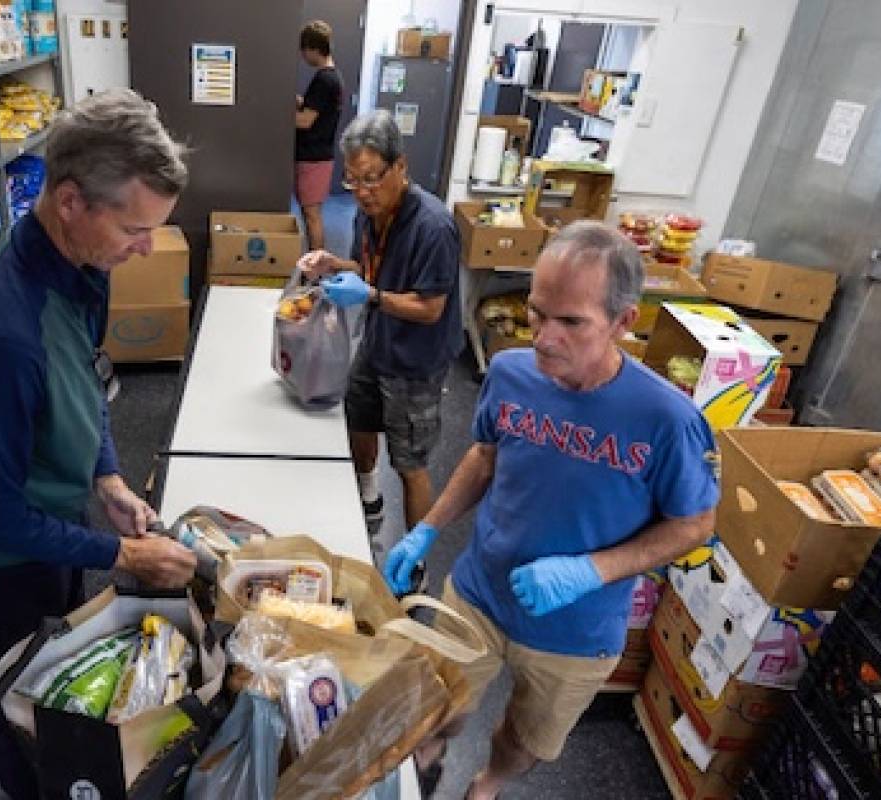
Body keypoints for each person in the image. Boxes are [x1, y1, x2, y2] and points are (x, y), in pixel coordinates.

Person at [0, 89, 198, 799]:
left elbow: (86, 377)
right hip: (3, 555)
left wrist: (106, 478)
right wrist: (124, 554)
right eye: (135, 229)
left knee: (62, 671)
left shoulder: (82, 273)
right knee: (19, 696)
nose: (146, 248)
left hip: (55, 519)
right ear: (71, 202)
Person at [382, 222, 720, 799]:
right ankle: (426, 766)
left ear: (623, 322)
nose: (543, 337)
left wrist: (591, 571)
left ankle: (486, 786)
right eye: (538, 313)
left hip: (575, 629)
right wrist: (427, 528)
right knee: (433, 707)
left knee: (525, 742)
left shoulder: (666, 420)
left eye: (571, 322)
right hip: (479, 593)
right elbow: (485, 456)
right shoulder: (512, 373)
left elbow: (695, 524)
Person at [298, 111, 462, 531]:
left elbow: (431, 309)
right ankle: (368, 498)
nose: (363, 192)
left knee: (410, 464)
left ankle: (414, 562)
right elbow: (369, 268)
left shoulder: (433, 227)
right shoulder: (366, 213)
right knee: (357, 416)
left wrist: (369, 295)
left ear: (400, 167)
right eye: (353, 181)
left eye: (372, 178)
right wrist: (334, 262)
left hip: (416, 361)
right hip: (377, 341)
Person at [295, 20, 343, 252]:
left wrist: (277, 117)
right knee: (311, 212)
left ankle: (316, 268)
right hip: (318, 155)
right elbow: (318, 110)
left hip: (314, 157)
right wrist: (302, 103)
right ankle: (315, 263)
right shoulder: (332, 77)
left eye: (304, 50)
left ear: (314, 49)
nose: (303, 55)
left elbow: (305, 121)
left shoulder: (324, 79)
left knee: (312, 214)